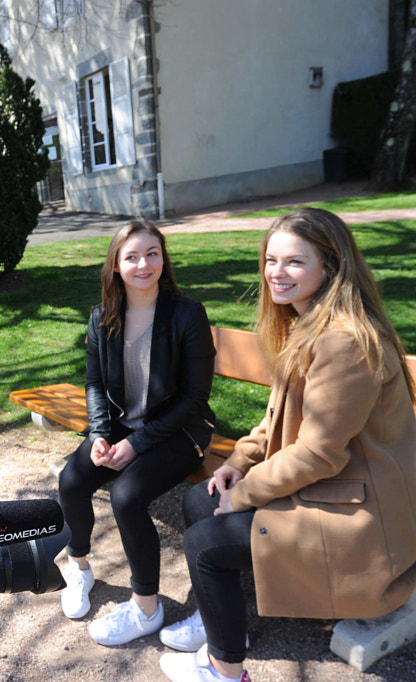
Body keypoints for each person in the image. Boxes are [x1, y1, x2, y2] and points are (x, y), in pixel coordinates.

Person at [158, 208, 416, 682]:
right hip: (334, 486)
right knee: (203, 497)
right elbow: (277, 418)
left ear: (330, 267)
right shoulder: (310, 324)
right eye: (271, 260)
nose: (277, 273)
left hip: (359, 512)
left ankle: (225, 669)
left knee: (205, 543)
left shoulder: (344, 342)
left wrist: (246, 493)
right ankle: (224, 622)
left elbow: (319, 453)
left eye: (295, 262)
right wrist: (238, 462)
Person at [57, 219, 216, 646]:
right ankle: (80, 568)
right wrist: (101, 436)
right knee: (72, 480)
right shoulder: (101, 318)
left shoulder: (187, 314)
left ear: (163, 259)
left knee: (127, 497)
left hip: (181, 431)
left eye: (152, 254)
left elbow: (195, 398)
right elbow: (94, 384)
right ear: (115, 266)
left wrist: (136, 445)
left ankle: (147, 607)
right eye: (132, 256)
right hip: (122, 425)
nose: (143, 264)